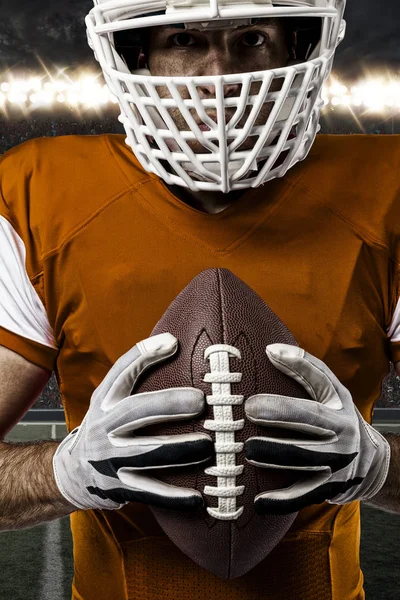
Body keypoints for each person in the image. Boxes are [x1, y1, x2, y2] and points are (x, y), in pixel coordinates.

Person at [0, 0, 399, 598]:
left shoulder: (388, 190)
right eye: (185, 39)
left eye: (252, 39)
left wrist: (378, 465)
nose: (220, 77)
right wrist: (63, 473)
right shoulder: (39, 196)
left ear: (300, 48)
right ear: (138, 57)